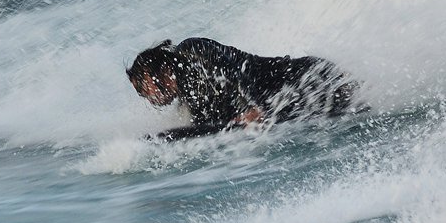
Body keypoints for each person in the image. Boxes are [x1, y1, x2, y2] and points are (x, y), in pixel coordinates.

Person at [126, 37, 363, 141]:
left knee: (364, 107)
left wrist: (248, 108)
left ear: (151, 73)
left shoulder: (190, 51)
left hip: (309, 79)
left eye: (143, 89)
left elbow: (226, 70)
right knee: (359, 115)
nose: (147, 98)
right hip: (299, 101)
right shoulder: (191, 97)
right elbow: (208, 129)